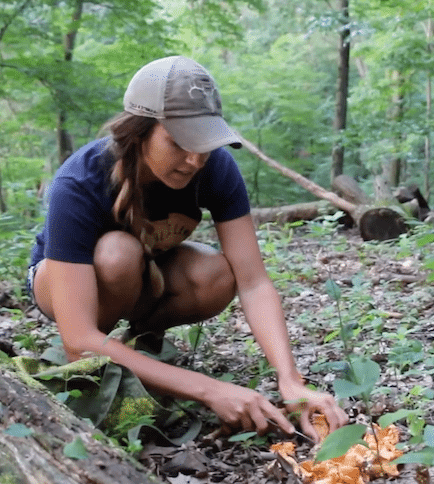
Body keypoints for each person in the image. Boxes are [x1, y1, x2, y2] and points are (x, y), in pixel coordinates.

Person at [28, 55, 347, 442]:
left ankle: (138, 345)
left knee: (217, 274)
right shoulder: (80, 180)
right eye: (179, 142)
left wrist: (290, 381)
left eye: (205, 143)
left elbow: (253, 282)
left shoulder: (215, 168)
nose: (195, 159)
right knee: (116, 254)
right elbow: (78, 337)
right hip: (65, 288)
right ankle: (103, 359)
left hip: (149, 277)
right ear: (139, 130)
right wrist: (209, 389)